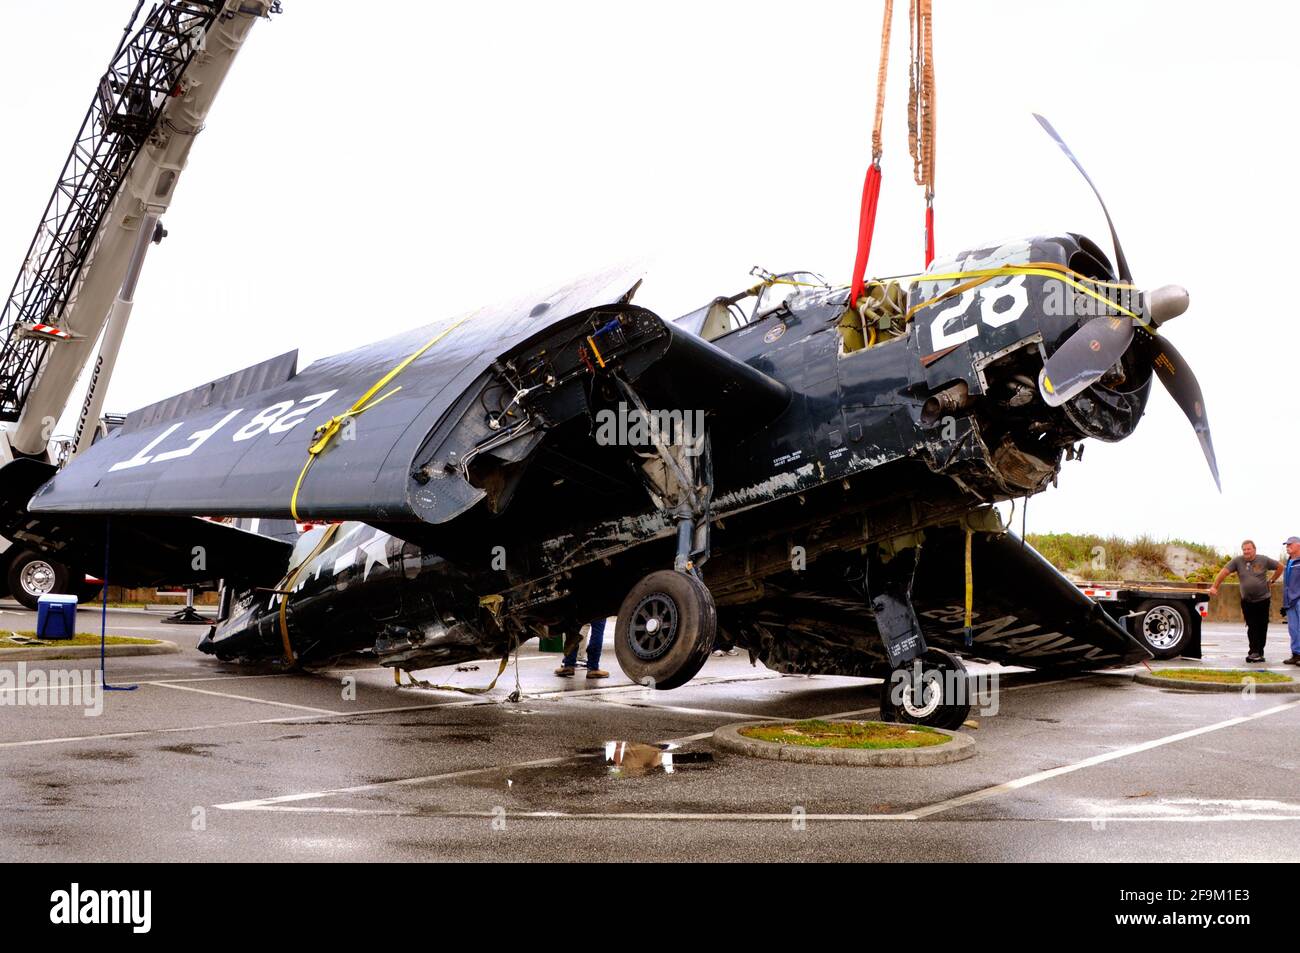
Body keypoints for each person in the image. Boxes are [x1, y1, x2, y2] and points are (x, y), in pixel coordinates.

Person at [1209, 540, 1283, 663]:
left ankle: (1259, 652)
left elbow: (1280, 567)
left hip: (1263, 599)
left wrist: (1272, 580)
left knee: (1262, 626)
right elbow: (1224, 572)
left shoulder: (1263, 560)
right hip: (1247, 601)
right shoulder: (1238, 561)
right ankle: (1254, 652)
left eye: (1249, 549)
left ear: (1254, 549)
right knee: (1252, 626)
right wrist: (1215, 586)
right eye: (1244, 549)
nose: (1246, 552)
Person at [1282, 536, 1300, 666]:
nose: (1287, 547)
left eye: (1290, 544)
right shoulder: (1288, 562)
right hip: (1290, 601)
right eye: (1287, 545)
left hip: (1299, 599)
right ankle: (1296, 654)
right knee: (1293, 629)